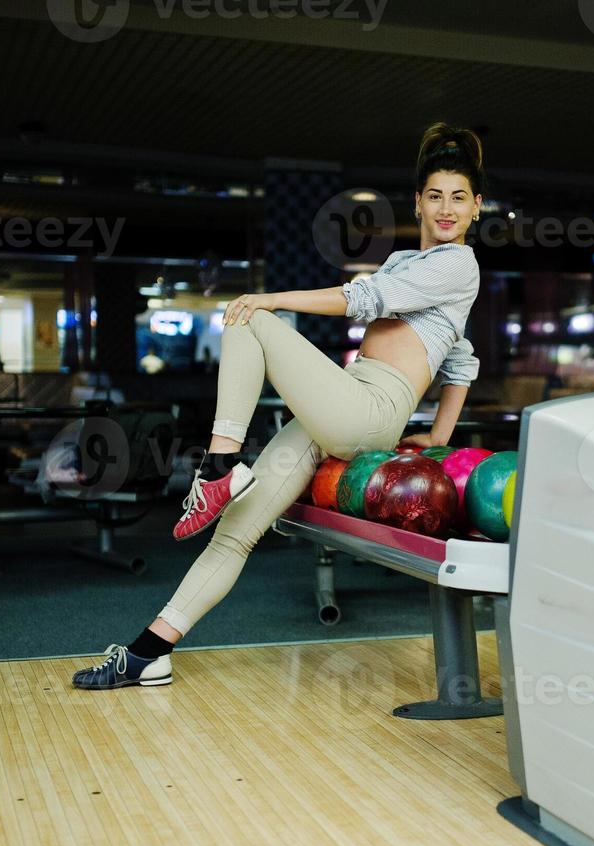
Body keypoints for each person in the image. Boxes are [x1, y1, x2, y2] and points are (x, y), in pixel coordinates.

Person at [73, 123, 485, 689]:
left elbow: (360, 301)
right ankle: (151, 652)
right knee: (236, 530)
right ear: (417, 202)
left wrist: (271, 296)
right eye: (435, 195)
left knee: (251, 318)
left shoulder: (459, 265)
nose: (446, 208)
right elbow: (462, 361)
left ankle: (219, 466)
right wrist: (437, 433)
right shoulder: (405, 264)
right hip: (343, 400)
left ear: (477, 208)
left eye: (459, 197)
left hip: (370, 407)